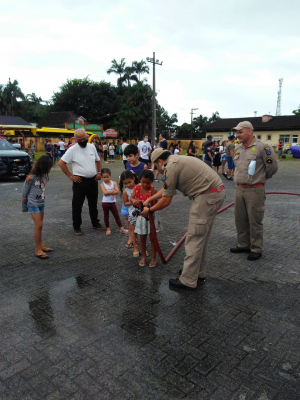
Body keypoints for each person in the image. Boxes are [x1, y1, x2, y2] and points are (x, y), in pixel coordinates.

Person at [141, 148, 225, 290]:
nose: (159, 170)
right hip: (212, 194)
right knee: (201, 237)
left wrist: (149, 210)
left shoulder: (170, 167)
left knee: (194, 238)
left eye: (157, 166)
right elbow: (166, 189)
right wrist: (150, 199)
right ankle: (196, 272)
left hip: (206, 197)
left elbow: (166, 200)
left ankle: (187, 280)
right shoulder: (175, 161)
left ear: (160, 161)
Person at [230, 121, 278, 261]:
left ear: (249, 131)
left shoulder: (263, 147)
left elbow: (272, 167)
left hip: (255, 190)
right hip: (239, 189)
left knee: (255, 220)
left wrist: (261, 178)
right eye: (237, 132)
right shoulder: (238, 147)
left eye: (240, 132)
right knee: (240, 219)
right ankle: (243, 244)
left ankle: (256, 248)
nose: (237, 134)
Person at [58, 129, 105, 235]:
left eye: (84, 139)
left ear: (87, 137)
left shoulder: (92, 147)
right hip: (80, 181)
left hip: (93, 179)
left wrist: (99, 172)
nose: (83, 141)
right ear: (76, 139)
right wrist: (70, 176)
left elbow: (98, 160)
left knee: (93, 203)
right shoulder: (72, 149)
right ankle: (77, 226)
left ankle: (95, 223)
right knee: (77, 205)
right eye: (80, 140)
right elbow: (61, 163)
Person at [22, 156, 53, 259]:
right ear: (41, 166)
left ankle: (40, 246)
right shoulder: (31, 177)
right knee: (38, 225)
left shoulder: (44, 176)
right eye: (47, 167)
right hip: (33, 204)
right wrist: (24, 206)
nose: (48, 170)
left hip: (41, 203)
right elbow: (24, 192)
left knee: (40, 226)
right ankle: (37, 249)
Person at [130, 169, 163, 268]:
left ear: (152, 181)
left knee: (153, 238)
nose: (145, 185)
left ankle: (153, 258)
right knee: (142, 237)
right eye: (143, 182)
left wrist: (149, 204)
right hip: (141, 217)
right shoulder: (136, 188)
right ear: (140, 180)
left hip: (151, 216)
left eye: (147, 183)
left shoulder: (153, 190)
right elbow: (131, 198)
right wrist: (134, 201)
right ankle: (144, 256)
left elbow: (155, 204)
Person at [100, 168, 128, 236]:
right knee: (106, 216)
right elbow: (104, 192)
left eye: (107, 177)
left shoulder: (114, 183)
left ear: (110, 176)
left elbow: (117, 191)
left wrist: (109, 192)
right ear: (101, 177)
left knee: (116, 215)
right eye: (104, 177)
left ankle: (121, 228)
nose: (106, 178)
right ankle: (108, 229)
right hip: (105, 203)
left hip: (112, 203)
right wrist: (112, 191)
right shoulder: (102, 184)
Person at [120, 170, 139, 256]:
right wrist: (133, 202)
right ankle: (135, 245)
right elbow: (125, 203)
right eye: (125, 183)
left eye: (129, 182)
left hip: (142, 210)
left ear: (134, 178)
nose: (128, 185)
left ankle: (142, 242)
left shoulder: (140, 186)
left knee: (142, 229)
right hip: (132, 212)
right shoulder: (125, 191)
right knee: (133, 228)